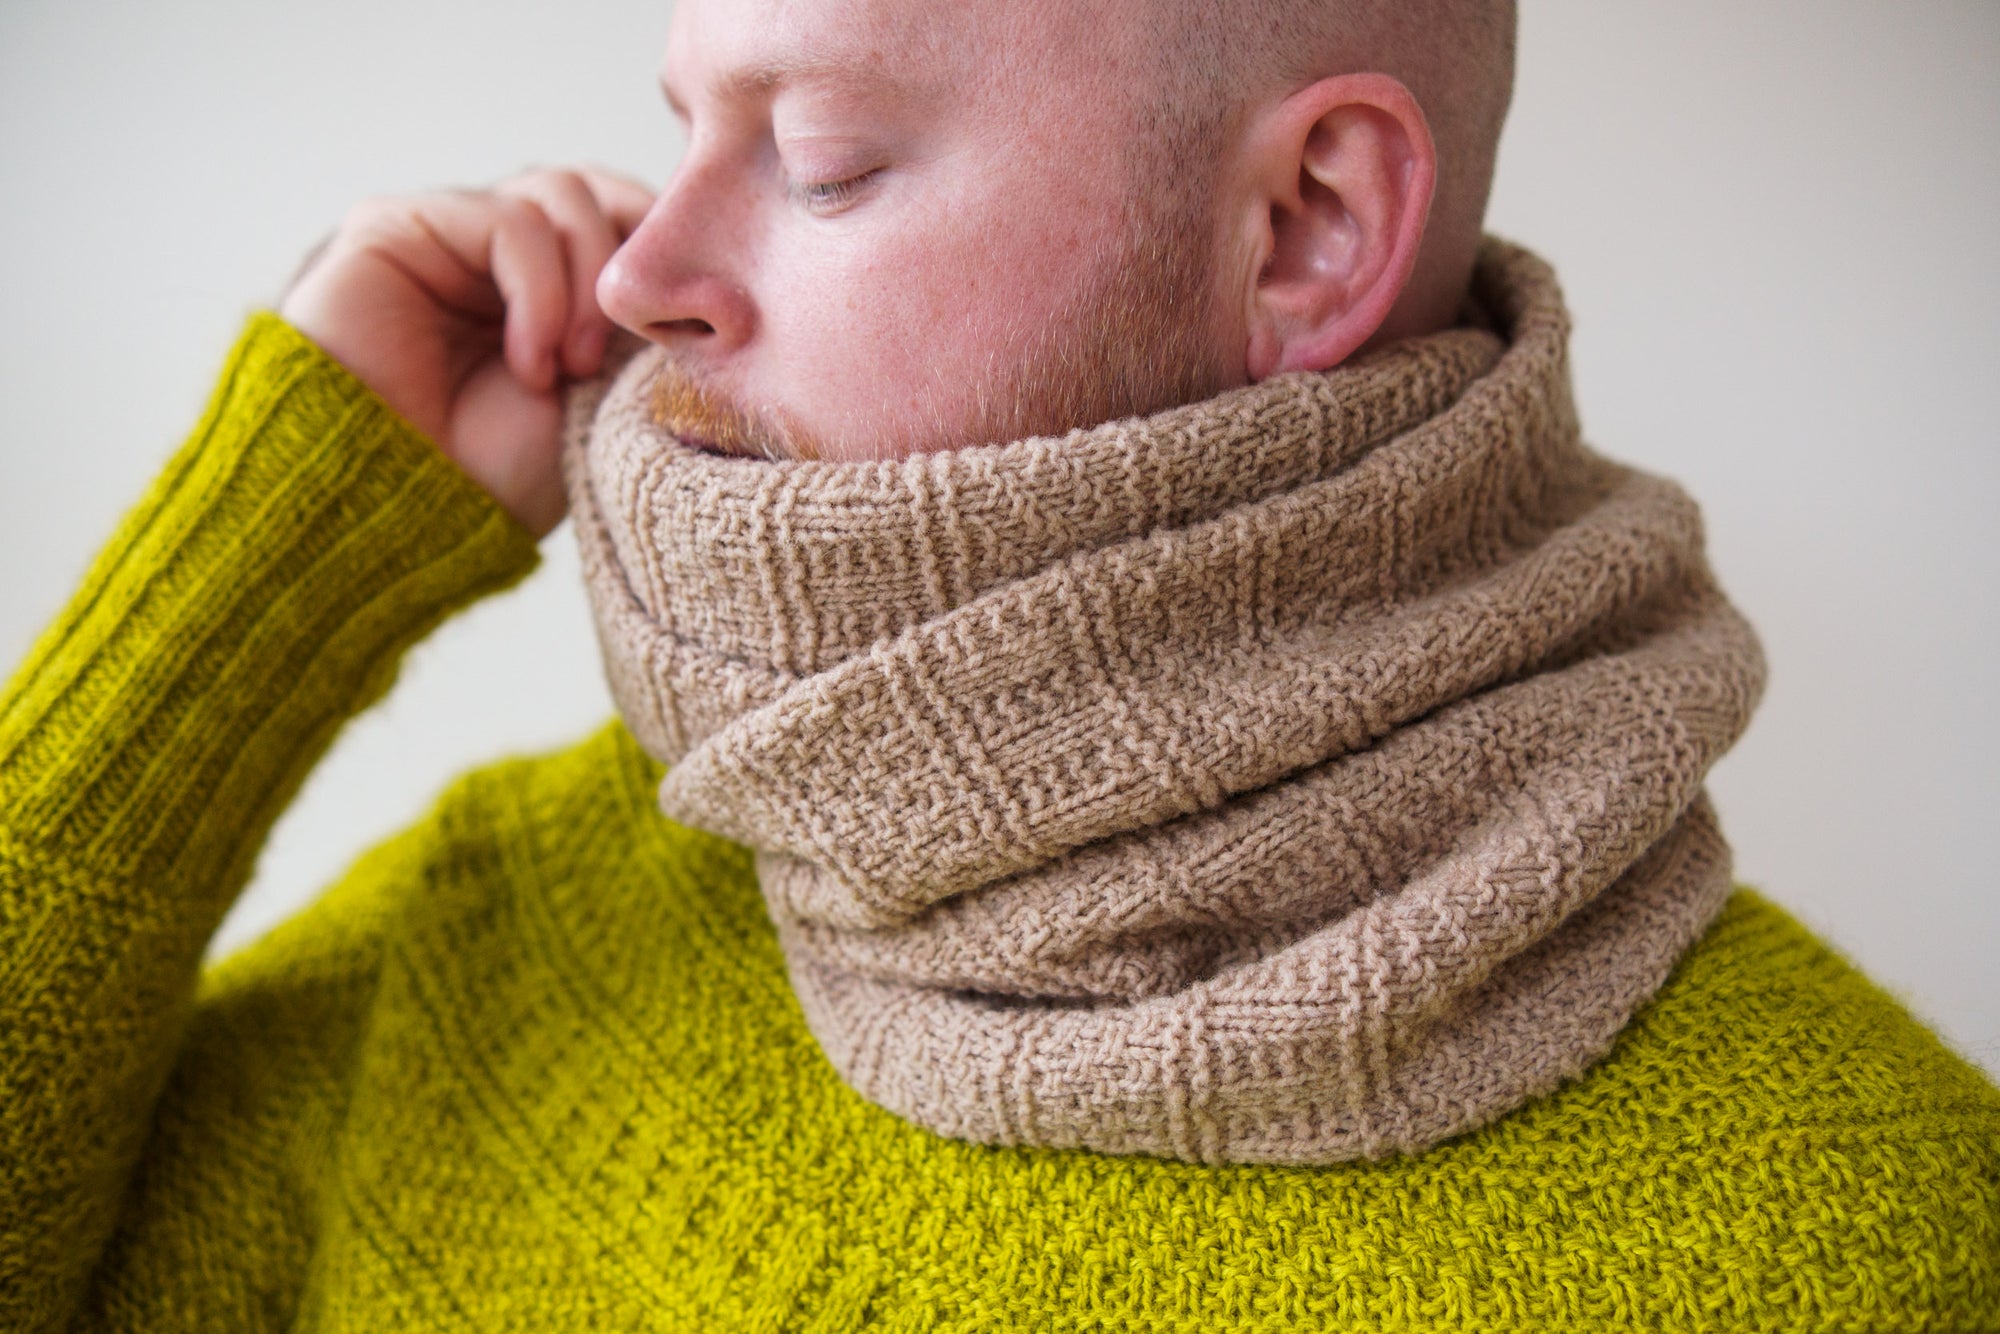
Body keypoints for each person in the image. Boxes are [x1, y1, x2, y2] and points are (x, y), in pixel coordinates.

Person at [3, 0, 1994, 1328]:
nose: (634, 276)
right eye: (684, 132)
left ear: (1309, 226)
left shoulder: (1867, 1249)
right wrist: (269, 565)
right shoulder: (519, 922)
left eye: (823, 156)